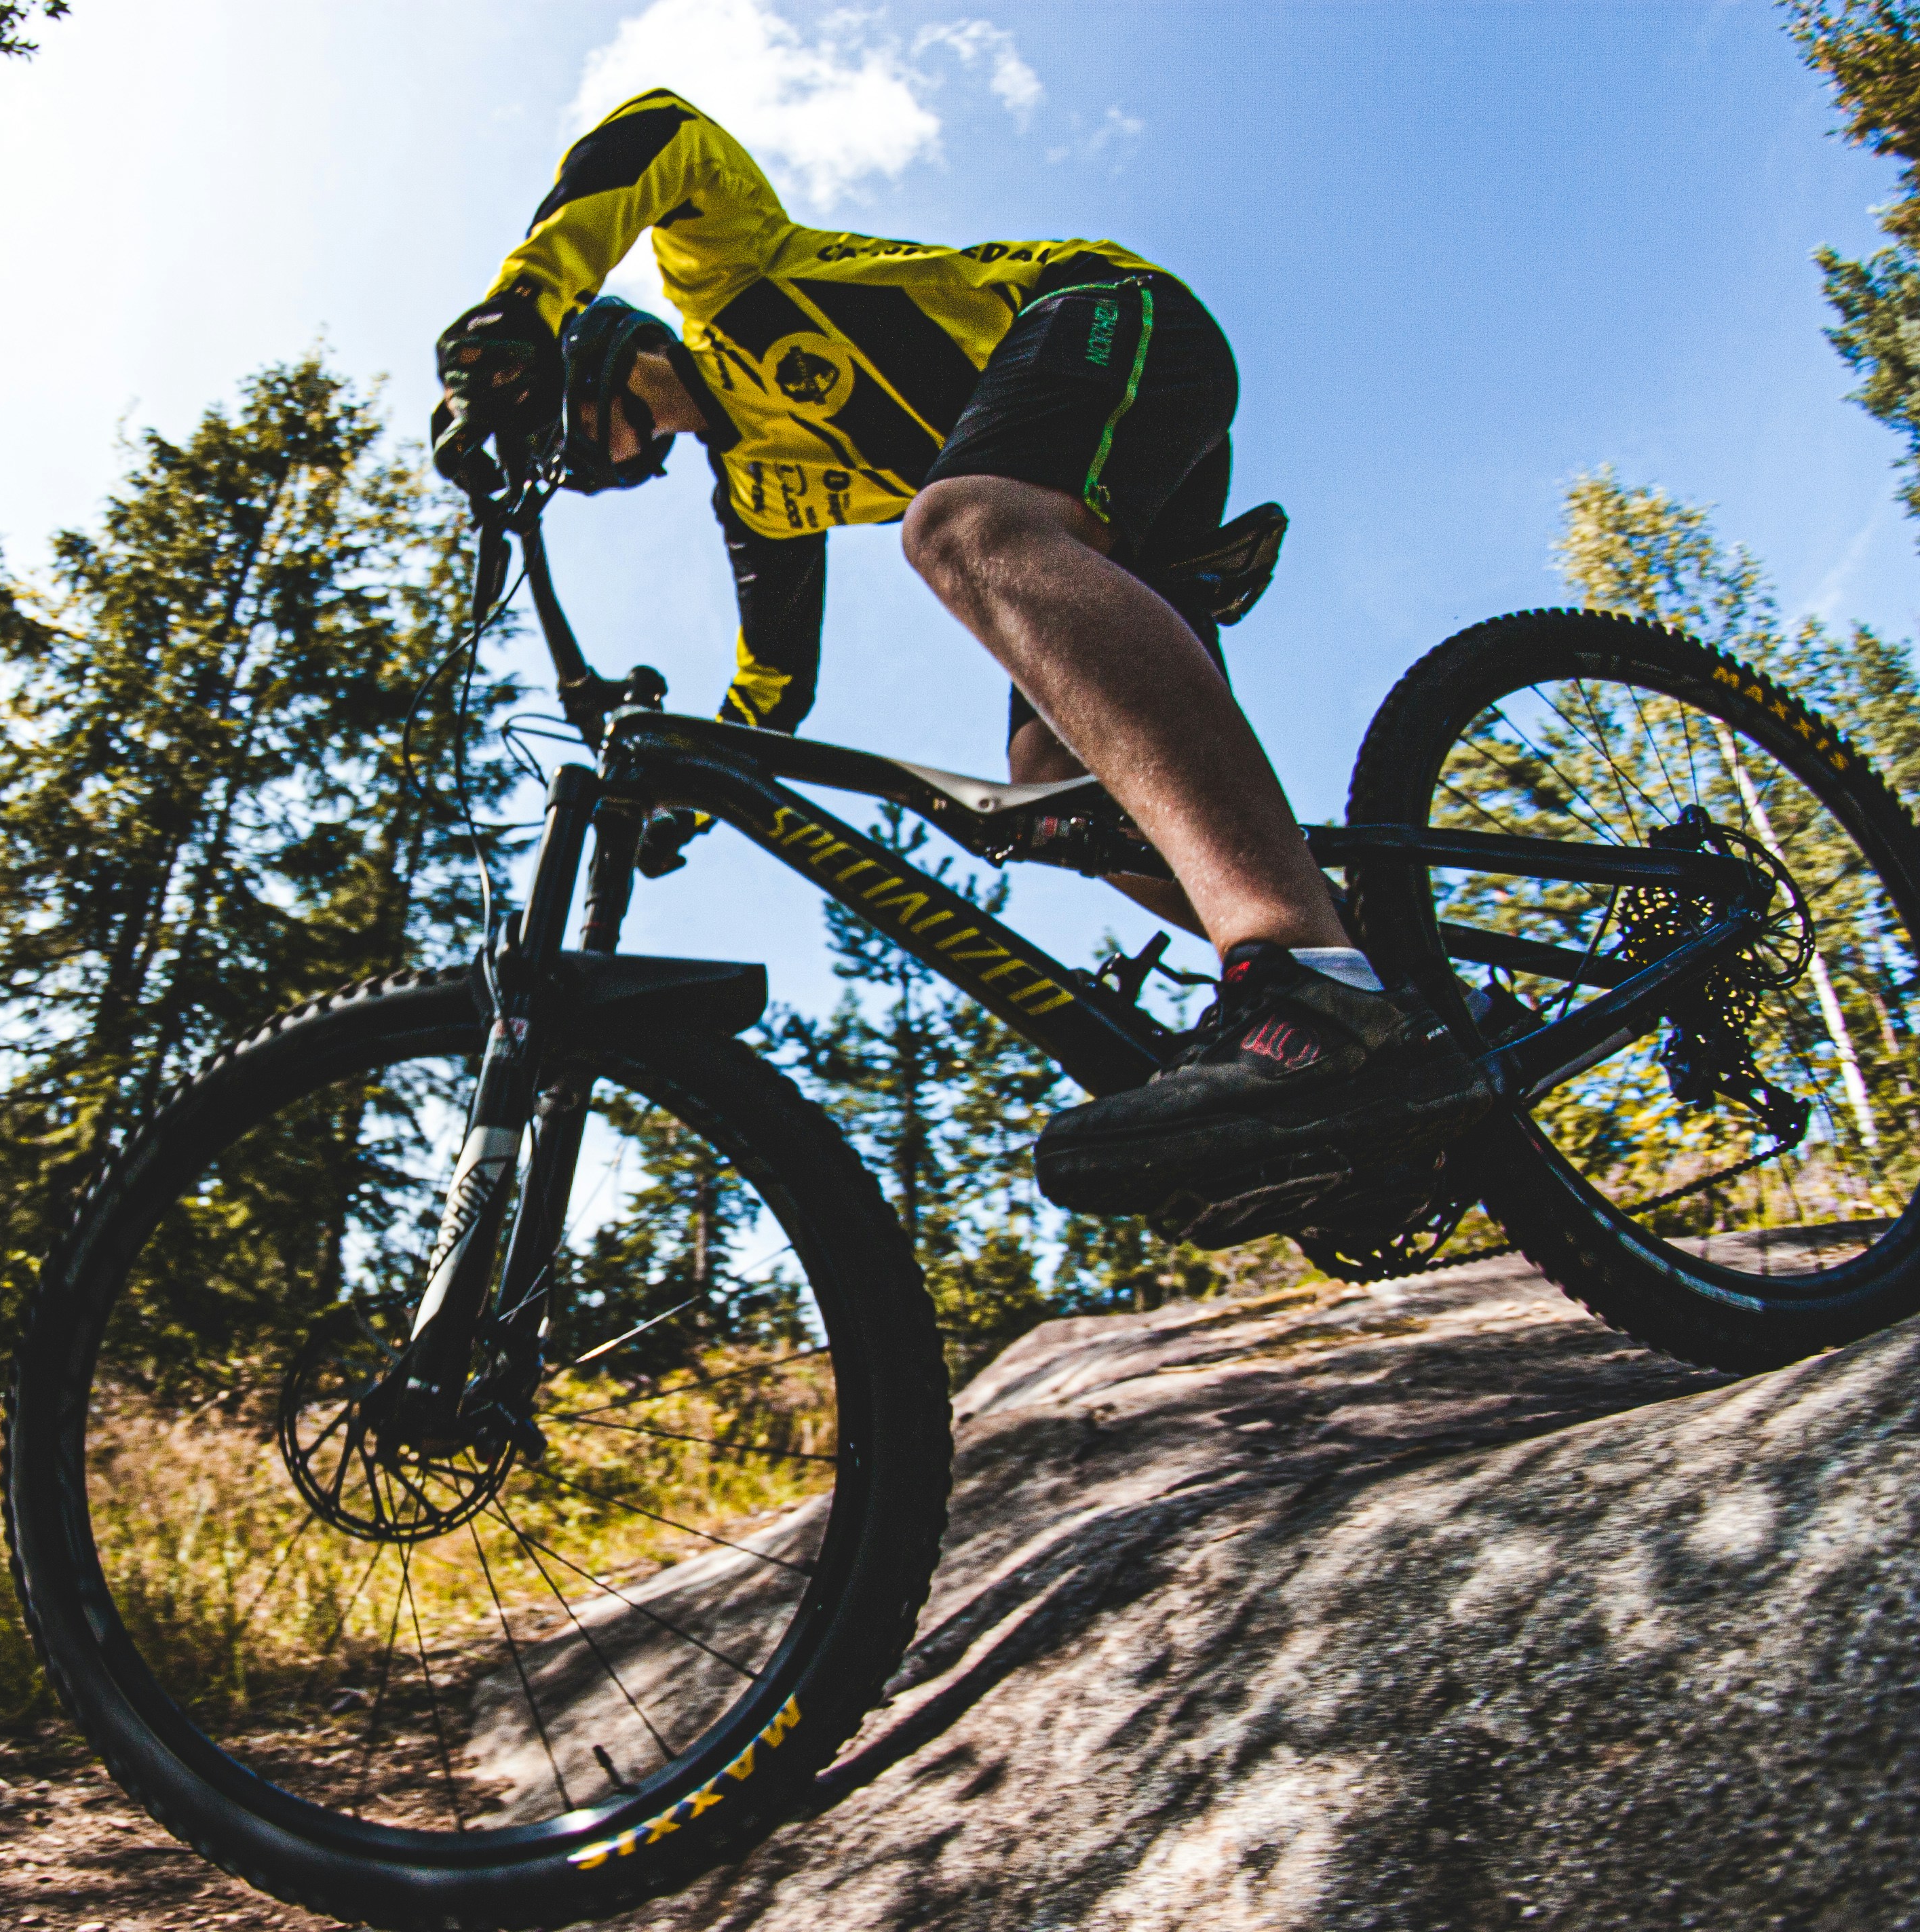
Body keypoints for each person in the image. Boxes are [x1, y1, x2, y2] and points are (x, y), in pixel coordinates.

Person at [434, 88, 1491, 1243]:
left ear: (590, 358)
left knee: (958, 527)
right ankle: (1394, 987)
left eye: (570, 430)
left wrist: (525, 299)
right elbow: (774, 688)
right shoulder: (763, 498)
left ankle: (1304, 980)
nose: (586, 459)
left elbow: (659, 132)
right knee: (1052, 786)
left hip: (1106, 316)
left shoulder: (726, 276)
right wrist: (679, 810)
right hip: (1094, 499)